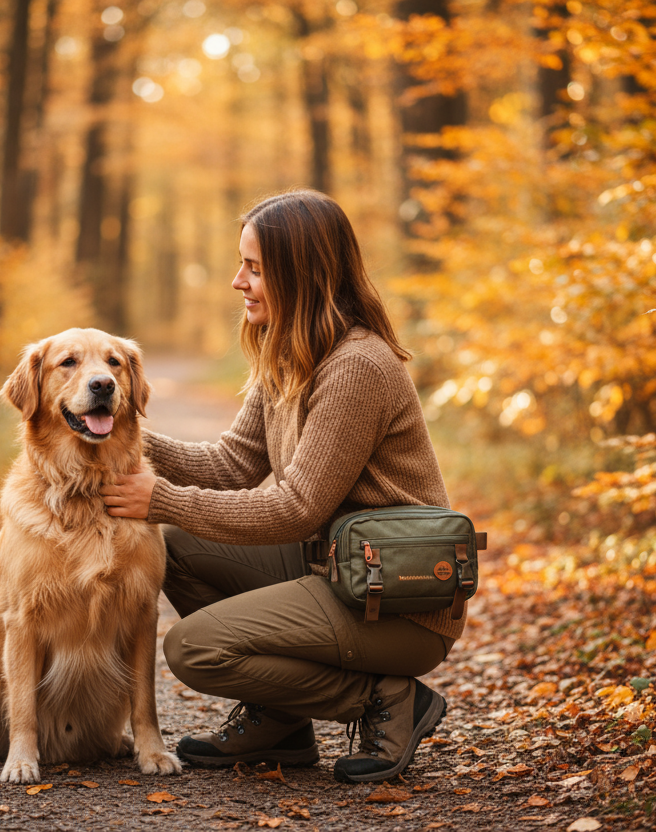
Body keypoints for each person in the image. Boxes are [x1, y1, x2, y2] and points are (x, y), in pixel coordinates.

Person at [100, 189, 462, 784]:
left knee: (194, 648)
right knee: (176, 548)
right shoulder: (289, 352)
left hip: (397, 599)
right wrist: (119, 436)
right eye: (242, 263)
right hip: (336, 568)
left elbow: (296, 508)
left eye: (255, 268)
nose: (237, 281)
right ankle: (283, 721)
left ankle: (388, 699)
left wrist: (160, 497)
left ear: (303, 275)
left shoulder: (357, 367)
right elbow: (233, 464)